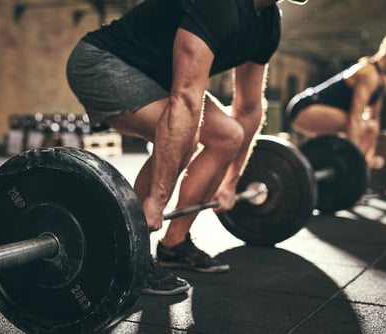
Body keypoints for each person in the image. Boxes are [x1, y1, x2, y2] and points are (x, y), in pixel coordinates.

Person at [66, 0, 309, 296]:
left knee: (228, 135)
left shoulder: (268, 21)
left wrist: (232, 181)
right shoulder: (220, 5)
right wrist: (157, 197)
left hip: (157, 78)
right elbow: (185, 99)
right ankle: (131, 256)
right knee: (185, 138)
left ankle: (174, 244)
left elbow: (248, 108)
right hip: (102, 62)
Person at [287, 20, 386, 167]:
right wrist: (353, 160)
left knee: (371, 126)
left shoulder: (384, 81)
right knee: (362, 125)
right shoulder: (368, 73)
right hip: (303, 108)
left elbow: (375, 119)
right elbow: (355, 118)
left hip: (328, 113)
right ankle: (351, 165)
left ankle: (356, 165)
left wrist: (370, 155)